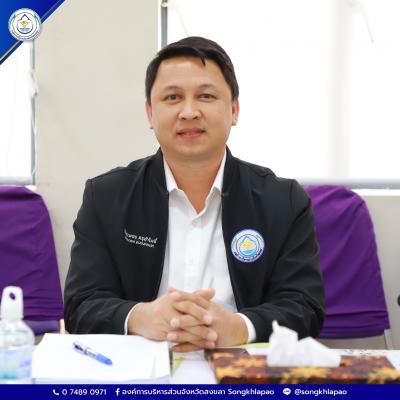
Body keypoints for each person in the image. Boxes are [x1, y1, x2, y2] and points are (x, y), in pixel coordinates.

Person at [64, 36, 325, 352]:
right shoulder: (106, 198)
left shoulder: (283, 201)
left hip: (240, 369)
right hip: (142, 371)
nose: (189, 112)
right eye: (173, 97)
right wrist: (141, 317)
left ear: (234, 110)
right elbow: (81, 304)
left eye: (206, 96)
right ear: (150, 113)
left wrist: (237, 327)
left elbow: (304, 306)